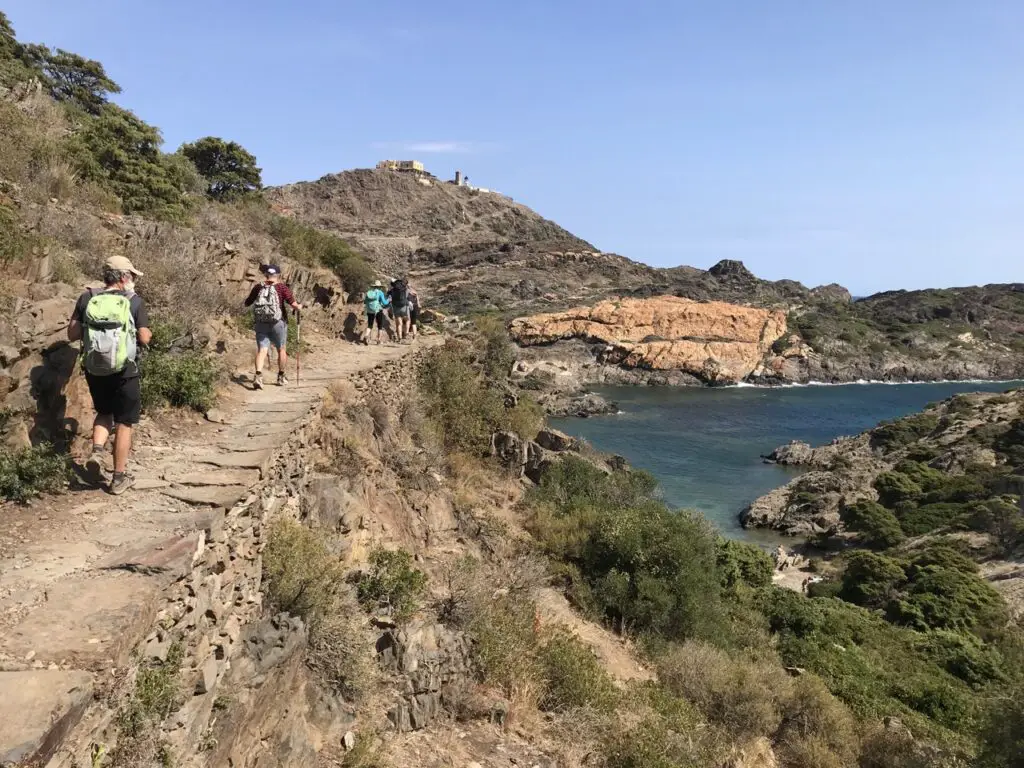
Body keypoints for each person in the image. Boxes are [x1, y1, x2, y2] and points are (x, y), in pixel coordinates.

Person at [67, 255, 152, 495]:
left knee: (104, 412)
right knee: (125, 423)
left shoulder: (87, 297)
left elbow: (72, 334)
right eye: (132, 276)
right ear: (124, 277)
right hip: (126, 370)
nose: (134, 280)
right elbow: (144, 338)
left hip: (95, 369)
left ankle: (97, 450)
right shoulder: (134, 302)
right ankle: (118, 478)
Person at [243, 264, 302, 389]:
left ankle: (258, 376)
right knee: (281, 348)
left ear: (265, 275)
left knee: (262, 350)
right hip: (278, 322)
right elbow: (294, 304)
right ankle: (281, 376)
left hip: (261, 322)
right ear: (278, 275)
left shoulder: (259, 287)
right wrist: (299, 307)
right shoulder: (282, 287)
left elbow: (247, 303)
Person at [363, 279, 390, 345]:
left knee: (370, 325)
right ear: (380, 286)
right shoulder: (380, 292)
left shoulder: (369, 292)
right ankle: (379, 340)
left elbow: (365, 302)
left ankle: (366, 335)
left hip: (370, 310)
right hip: (378, 310)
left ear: (374, 286)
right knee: (380, 325)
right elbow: (385, 303)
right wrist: (389, 300)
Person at [388, 277, 411, 341]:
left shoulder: (392, 290)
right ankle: (406, 334)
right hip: (404, 306)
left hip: (396, 307)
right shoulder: (404, 288)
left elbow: (388, 295)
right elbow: (408, 293)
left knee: (399, 324)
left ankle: (400, 337)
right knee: (408, 320)